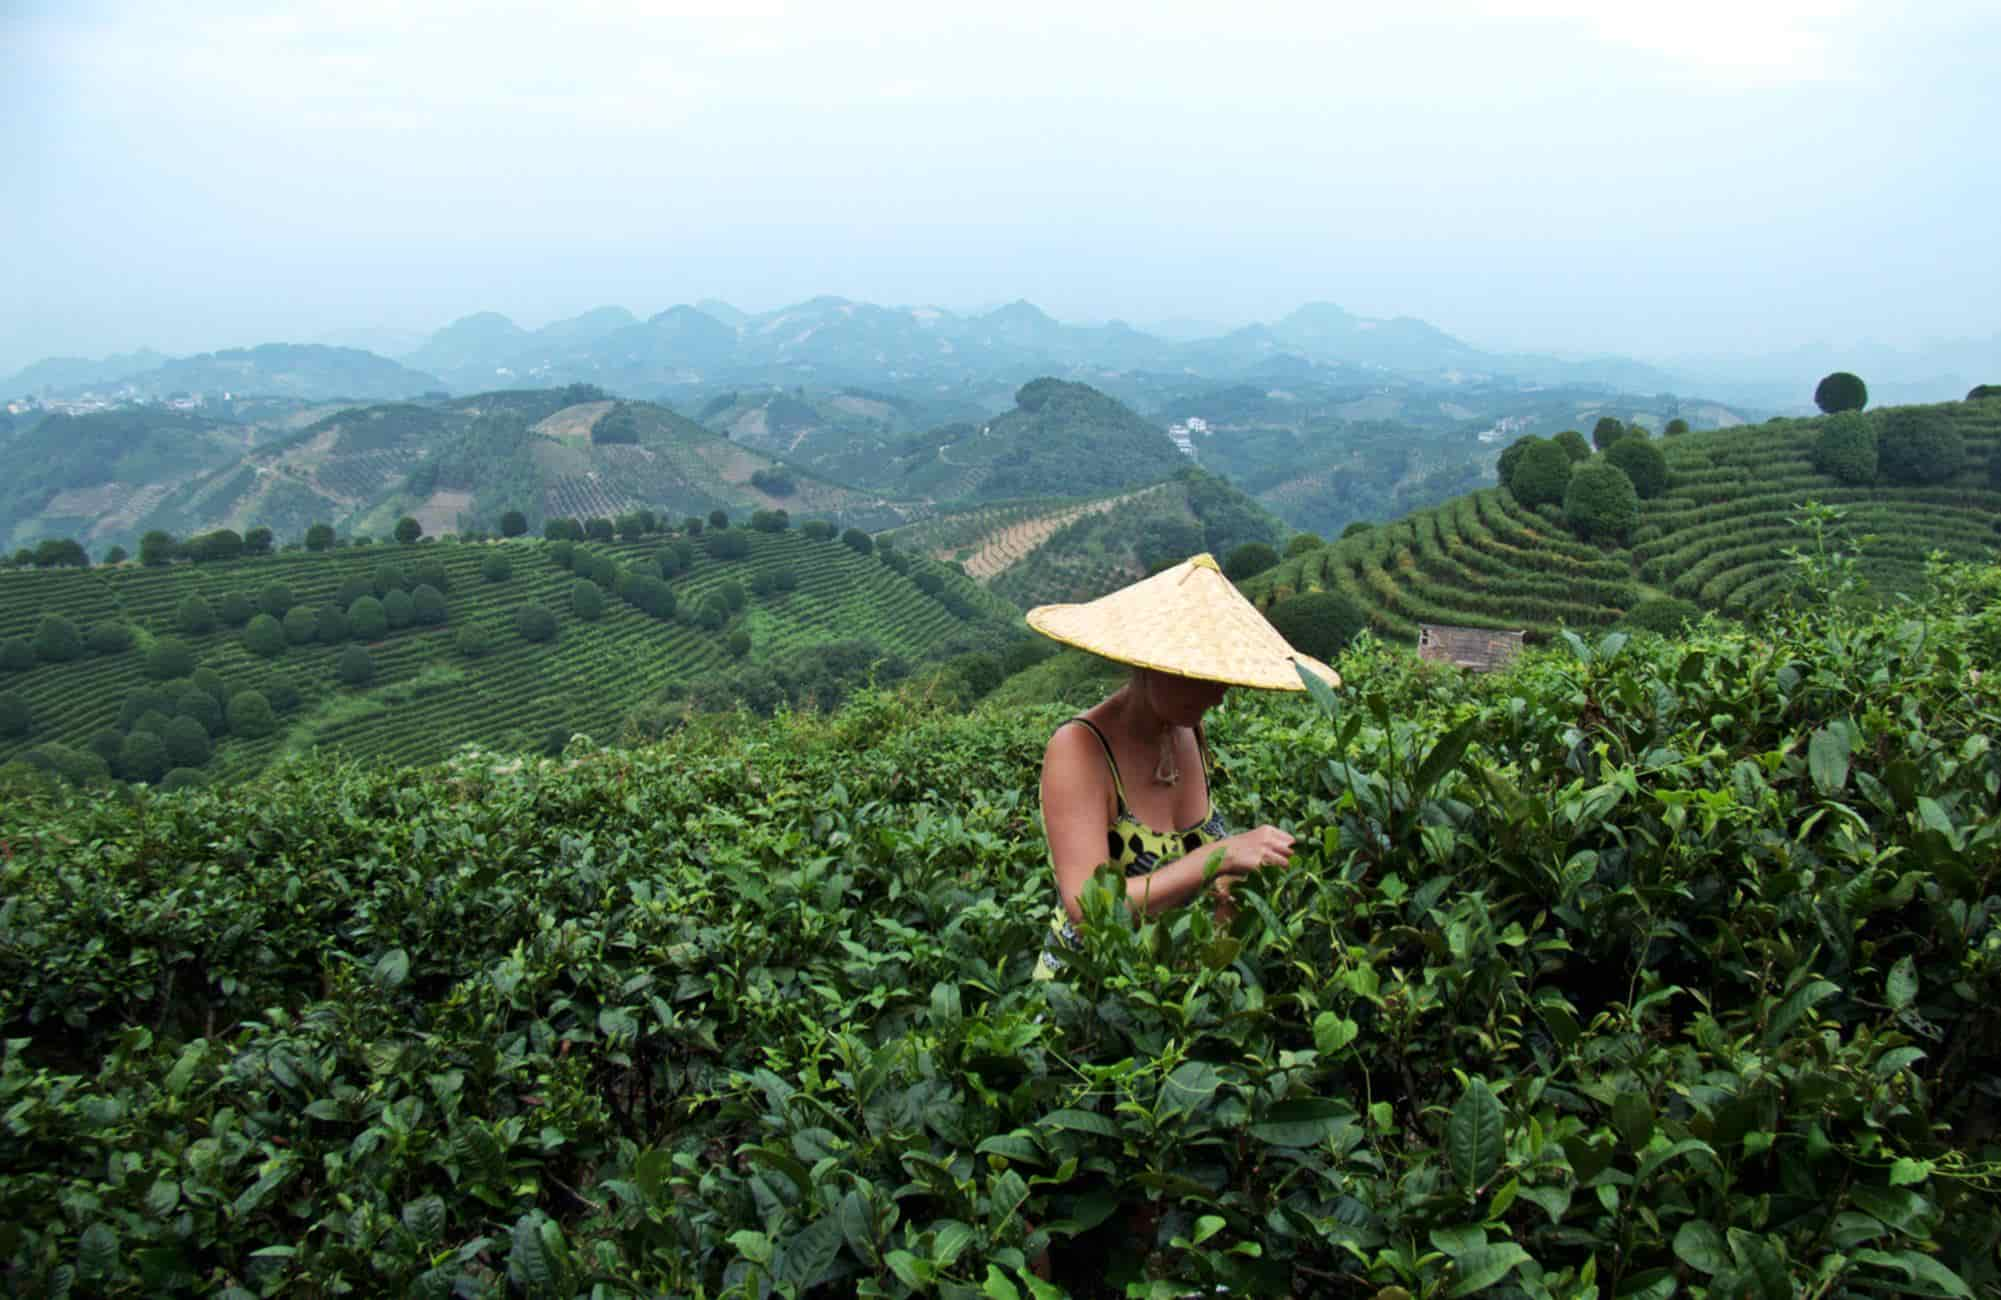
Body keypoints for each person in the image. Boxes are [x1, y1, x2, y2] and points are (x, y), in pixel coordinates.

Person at [1025, 553, 1340, 978]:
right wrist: (1220, 856)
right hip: (1091, 1001)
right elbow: (1090, 910)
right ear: (1155, 664)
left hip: (1178, 989)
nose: (1220, 693)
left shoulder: (1186, 731)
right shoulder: (1080, 749)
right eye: (1203, 675)